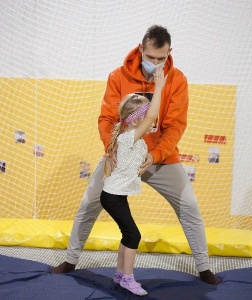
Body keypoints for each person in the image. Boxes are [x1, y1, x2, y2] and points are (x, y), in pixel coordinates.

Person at [50, 24, 221, 285]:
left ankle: (204, 267)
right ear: (141, 49)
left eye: (161, 58)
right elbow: (107, 118)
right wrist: (112, 148)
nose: (155, 63)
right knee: (88, 204)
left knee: (189, 206)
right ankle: (71, 260)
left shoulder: (178, 80)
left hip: (158, 157)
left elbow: (175, 125)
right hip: (122, 154)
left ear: (169, 53)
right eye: (150, 57)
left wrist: (155, 155)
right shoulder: (118, 76)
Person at [100, 68, 166, 296]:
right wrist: (158, 87)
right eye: (146, 115)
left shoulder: (129, 138)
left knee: (127, 234)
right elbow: (151, 116)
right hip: (112, 197)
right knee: (133, 235)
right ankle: (128, 279)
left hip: (115, 195)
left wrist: (148, 156)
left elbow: (139, 149)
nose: (150, 119)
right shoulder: (129, 136)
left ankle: (120, 274)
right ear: (136, 119)